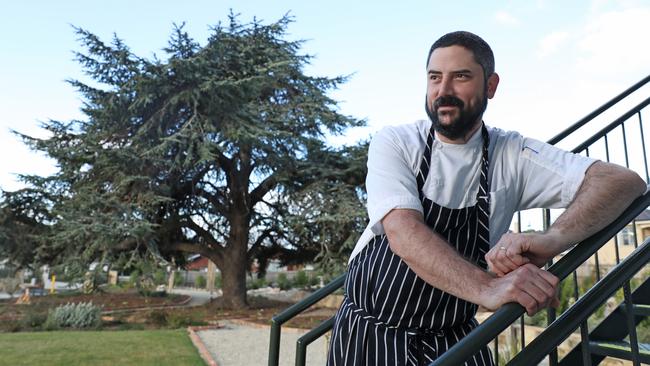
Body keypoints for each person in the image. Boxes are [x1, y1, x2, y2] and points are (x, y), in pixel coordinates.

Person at [326, 31, 646, 366]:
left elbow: (622, 182)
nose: (443, 90)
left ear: (490, 86)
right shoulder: (396, 142)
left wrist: (552, 239)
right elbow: (403, 232)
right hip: (370, 332)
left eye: (460, 76)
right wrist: (487, 289)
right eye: (435, 77)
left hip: (453, 334)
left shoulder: (512, 154)